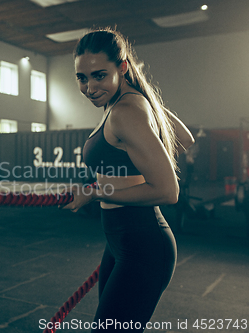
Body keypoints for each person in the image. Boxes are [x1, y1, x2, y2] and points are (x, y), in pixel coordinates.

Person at [62, 28, 194, 332]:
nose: (89, 87)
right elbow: (183, 139)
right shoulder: (126, 102)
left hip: (143, 245)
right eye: (82, 78)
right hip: (122, 241)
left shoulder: (126, 110)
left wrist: (96, 193)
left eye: (99, 75)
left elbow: (167, 190)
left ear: (122, 68)